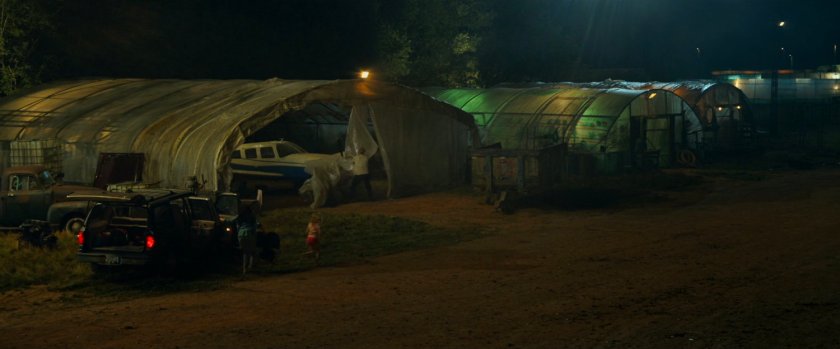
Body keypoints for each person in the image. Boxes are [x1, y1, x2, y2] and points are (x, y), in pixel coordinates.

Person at [237, 203, 259, 274]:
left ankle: (244, 269)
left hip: (241, 235)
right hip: (249, 234)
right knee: (252, 252)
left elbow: (237, 227)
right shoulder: (252, 217)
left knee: (245, 252)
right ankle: (250, 267)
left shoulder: (240, 217)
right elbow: (255, 227)